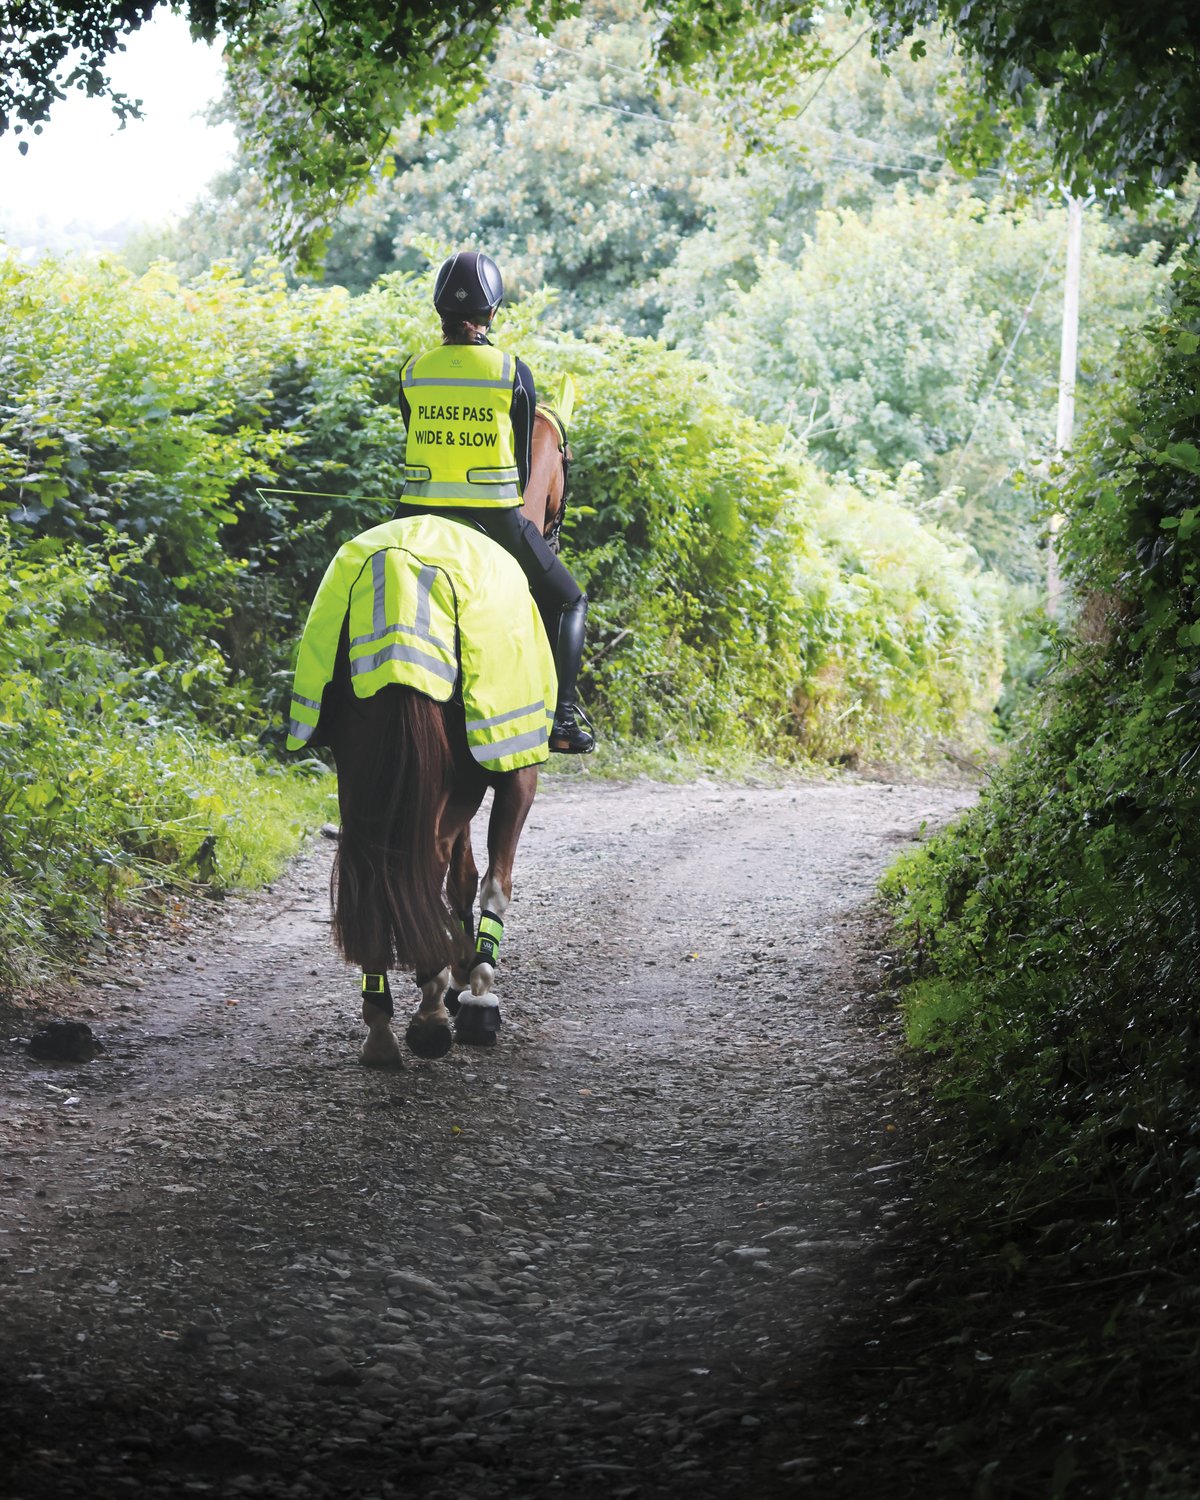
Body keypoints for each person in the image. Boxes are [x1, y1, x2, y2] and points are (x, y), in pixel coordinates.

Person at [395, 250, 595, 754]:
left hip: (414, 516)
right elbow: (526, 472)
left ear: (440, 312)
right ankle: (564, 720)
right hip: (495, 520)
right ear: (492, 313)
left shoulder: (413, 372)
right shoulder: (512, 373)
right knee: (572, 600)